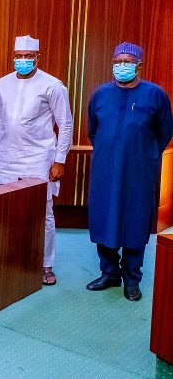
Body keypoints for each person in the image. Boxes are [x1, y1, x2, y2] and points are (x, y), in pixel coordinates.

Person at [86, 42, 173, 301]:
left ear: (139, 66)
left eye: (127, 61)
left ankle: (131, 279)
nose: (121, 66)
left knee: (134, 221)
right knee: (105, 217)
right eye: (117, 61)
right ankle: (109, 272)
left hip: (140, 171)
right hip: (105, 170)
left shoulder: (155, 95)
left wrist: (144, 155)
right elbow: (93, 130)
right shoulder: (100, 94)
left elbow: (165, 132)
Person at [0, 35, 73, 286]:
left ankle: (45, 264)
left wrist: (60, 160)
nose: (22, 60)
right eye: (18, 56)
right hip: (6, 157)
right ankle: (8, 258)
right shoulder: (2, 84)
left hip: (39, 159)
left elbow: (65, 124)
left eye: (27, 57)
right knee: (4, 210)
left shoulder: (52, 85)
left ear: (38, 58)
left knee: (42, 213)